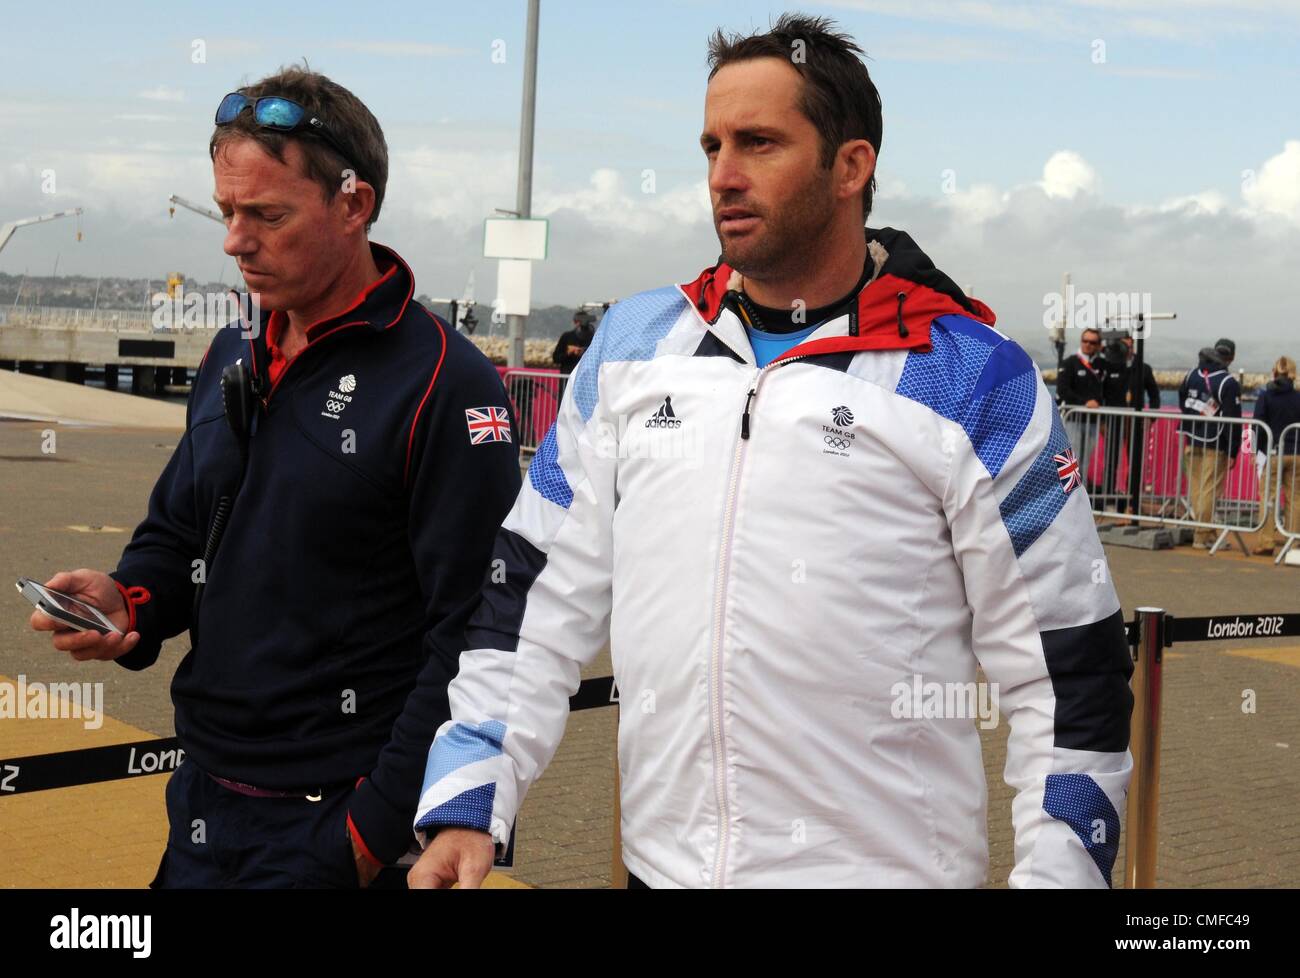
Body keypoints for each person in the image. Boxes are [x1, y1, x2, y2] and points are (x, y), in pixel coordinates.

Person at [409, 15, 1132, 889]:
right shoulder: (635, 344)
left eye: (758, 143)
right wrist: (469, 794)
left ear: (851, 166)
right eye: (711, 145)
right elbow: (529, 591)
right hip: (660, 872)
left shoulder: (973, 375)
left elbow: (1070, 672)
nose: (723, 175)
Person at [28, 66, 521, 887]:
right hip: (202, 800)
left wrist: (370, 832)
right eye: (227, 211)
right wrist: (130, 601)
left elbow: (478, 630)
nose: (233, 239)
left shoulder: (444, 381)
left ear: (354, 204)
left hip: (340, 822)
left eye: (267, 214)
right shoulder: (233, 354)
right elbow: (182, 532)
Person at [1178, 338, 1242, 548]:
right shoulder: (1228, 382)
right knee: (1210, 491)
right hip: (1216, 443)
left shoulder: (1191, 374)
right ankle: (1202, 536)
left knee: (1197, 489)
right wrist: (1234, 450)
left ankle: (1207, 532)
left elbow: (1182, 401)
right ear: (1231, 357)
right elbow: (1233, 418)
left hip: (1191, 437)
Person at [1249, 356, 1300, 554]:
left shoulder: (1266, 396)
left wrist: (1254, 450)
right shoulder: (1298, 397)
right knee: (1295, 498)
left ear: (1274, 372)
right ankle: (1294, 542)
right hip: (1296, 453)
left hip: (1274, 452)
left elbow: (1257, 425)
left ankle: (1266, 542)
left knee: (1268, 498)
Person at [1057, 327, 1107, 493]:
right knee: (1071, 460)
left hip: (1092, 422)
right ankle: (1066, 498)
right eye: (1085, 341)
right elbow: (1063, 390)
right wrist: (1084, 402)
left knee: (1084, 463)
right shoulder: (1070, 362)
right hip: (1074, 420)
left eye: (1092, 342)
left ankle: (1079, 499)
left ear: (1098, 345)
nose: (1088, 345)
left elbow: (1104, 391)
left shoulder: (1101, 364)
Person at [552, 309, 595, 375]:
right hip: (567, 377)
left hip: (585, 377)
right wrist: (568, 352)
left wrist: (583, 352)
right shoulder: (567, 336)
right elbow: (556, 359)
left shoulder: (593, 337)